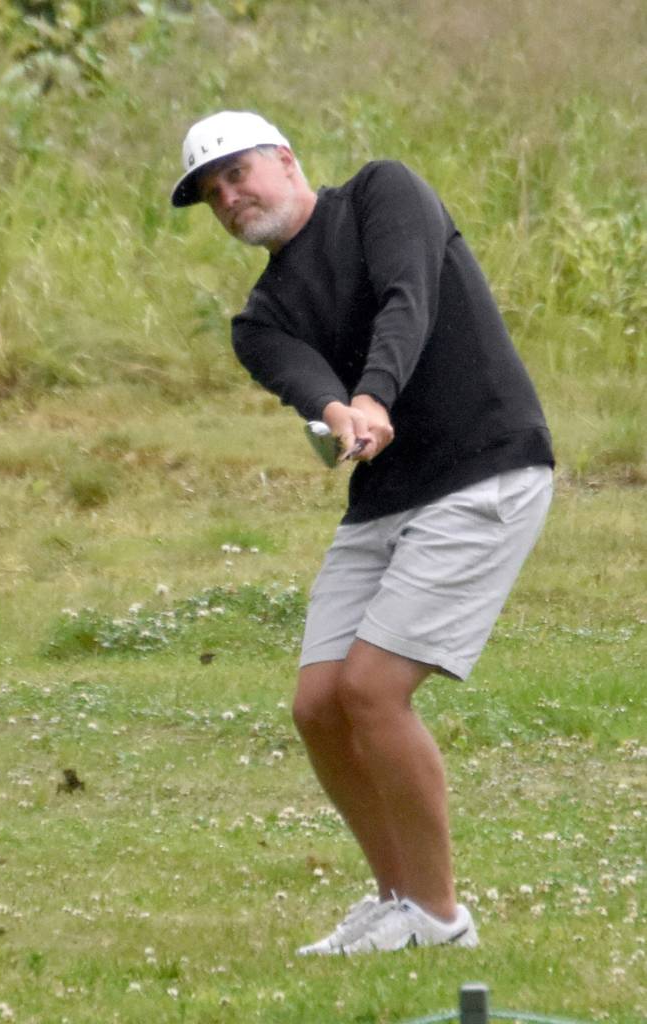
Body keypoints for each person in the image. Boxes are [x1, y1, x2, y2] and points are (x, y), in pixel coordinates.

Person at [170, 111, 554, 954]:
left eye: (239, 174)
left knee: (373, 690)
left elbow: (406, 298)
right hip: (387, 497)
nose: (230, 198)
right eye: (212, 193)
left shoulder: (384, 192)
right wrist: (340, 408)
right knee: (318, 706)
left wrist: (374, 392)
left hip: (486, 464)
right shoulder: (258, 321)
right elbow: (309, 381)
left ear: (286, 159)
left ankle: (441, 917)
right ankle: (396, 902)